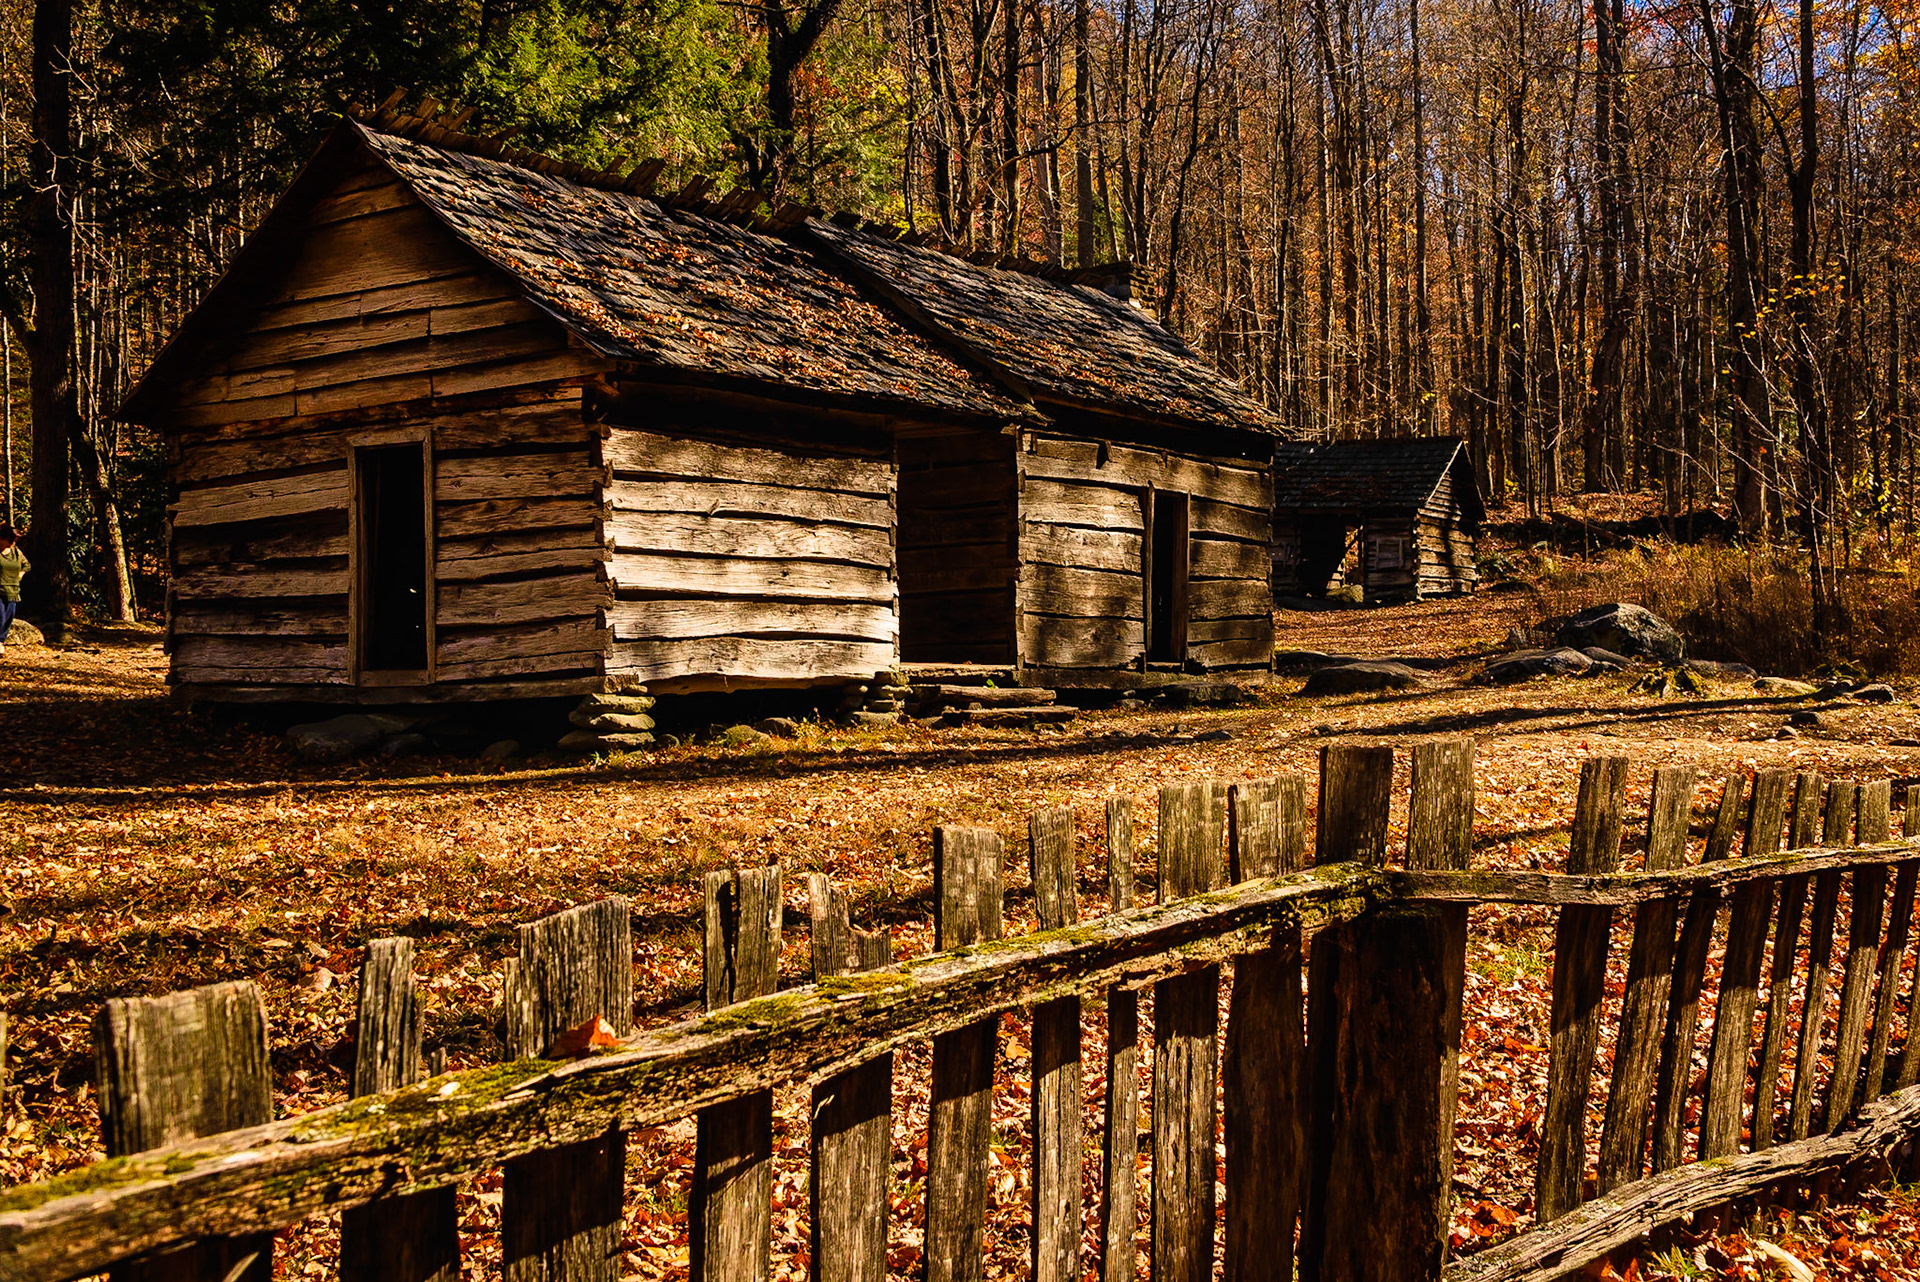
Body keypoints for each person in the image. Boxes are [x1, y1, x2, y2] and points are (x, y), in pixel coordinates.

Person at [0, 525, 27, 657]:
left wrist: (20, 574)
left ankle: (1, 641)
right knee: (0, 616)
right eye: (10, 539)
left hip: (12, 589)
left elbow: (26, 565)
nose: (12, 542)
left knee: (8, 617)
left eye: (14, 540)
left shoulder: (16, 552)